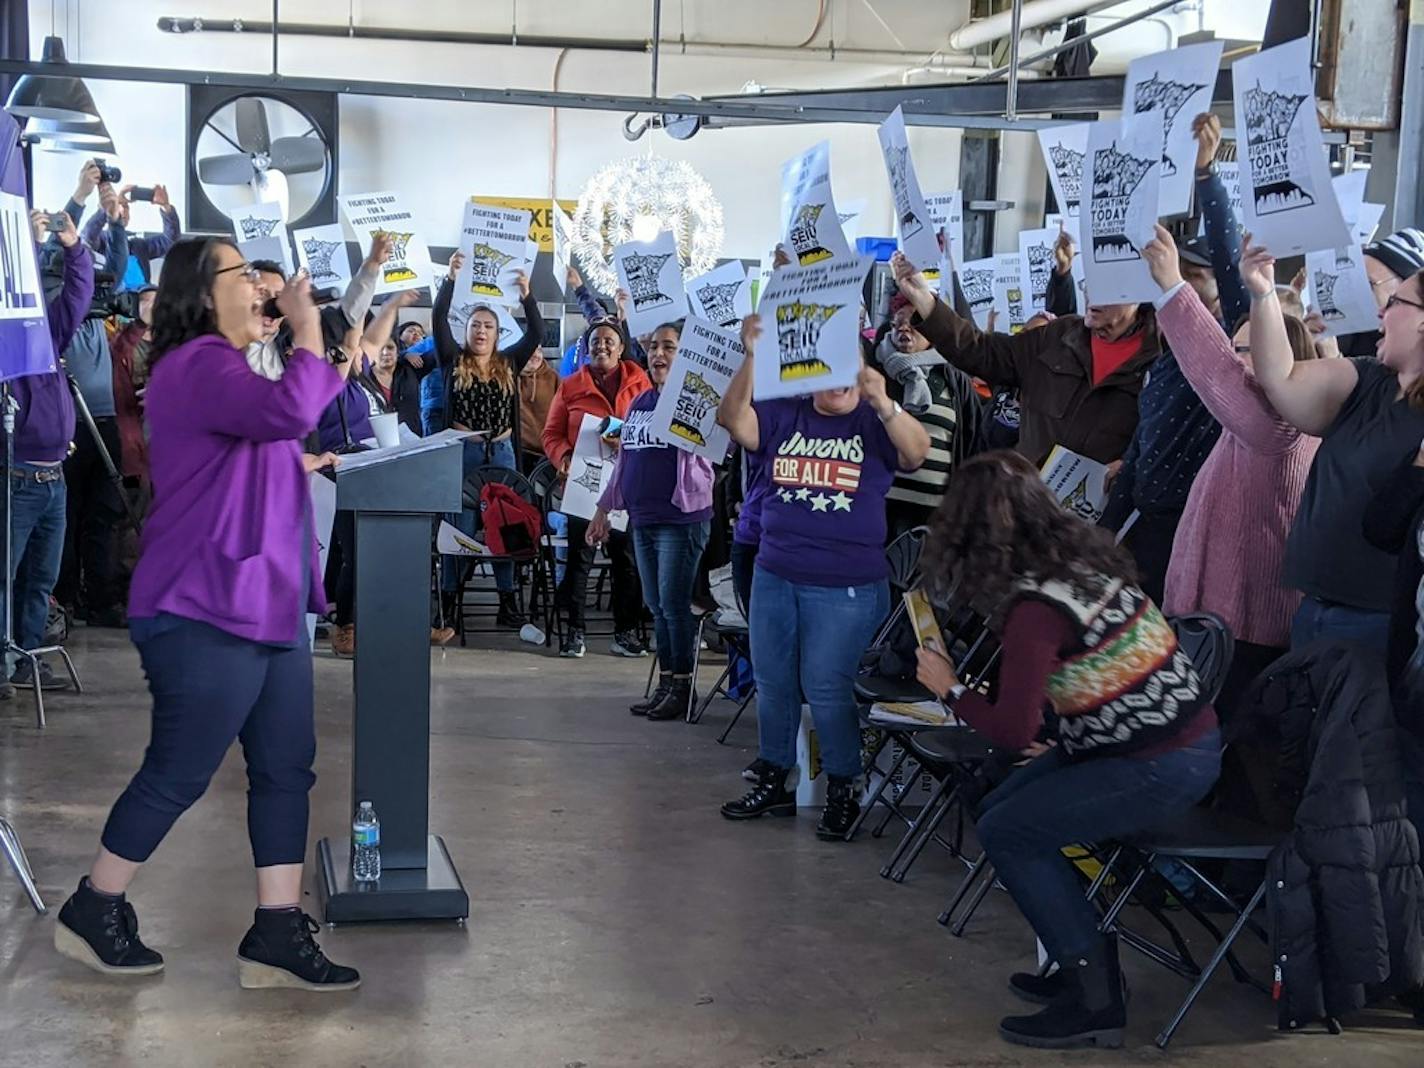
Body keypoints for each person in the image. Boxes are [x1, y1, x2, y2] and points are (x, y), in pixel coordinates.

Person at [54, 239, 360, 990]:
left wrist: (318, 333)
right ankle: (94, 907)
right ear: (202, 289)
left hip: (269, 599)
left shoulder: (238, 369)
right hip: (203, 601)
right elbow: (293, 404)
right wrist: (305, 323)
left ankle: (278, 929)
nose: (261, 284)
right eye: (244, 273)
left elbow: (287, 426)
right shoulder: (193, 367)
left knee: (286, 767)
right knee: (181, 771)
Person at [914, 451, 1220, 1050]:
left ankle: (1096, 997)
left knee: (1009, 832)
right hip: (1149, 740)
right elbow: (1090, 678)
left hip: (1155, 762)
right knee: (1001, 807)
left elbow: (1009, 731)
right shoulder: (1084, 560)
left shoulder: (1037, 608)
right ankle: (1082, 955)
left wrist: (947, 686)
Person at [717, 313, 930, 839]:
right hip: (775, 573)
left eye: (849, 367)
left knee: (827, 686)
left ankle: (842, 786)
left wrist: (884, 402)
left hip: (846, 585)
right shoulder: (785, 414)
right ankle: (773, 776)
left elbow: (918, 451)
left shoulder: (874, 423)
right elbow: (731, 418)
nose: (838, 380)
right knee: (772, 680)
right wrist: (751, 356)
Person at [1143, 224, 1322, 716]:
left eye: (1245, 352)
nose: (1238, 364)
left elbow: (1216, 371)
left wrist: (1173, 285)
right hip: (1220, 625)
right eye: (1237, 350)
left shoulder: (1280, 426)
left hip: (1245, 633)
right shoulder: (1258, 426)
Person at [1092, 115, 1251, 601]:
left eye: (1191, 276)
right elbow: (1142, 449)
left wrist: (1206, 176)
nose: (1177, 281)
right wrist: (1106, 529)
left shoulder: (1227, 349)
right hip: (1146, 525)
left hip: (1197, 528)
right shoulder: (1161, 364)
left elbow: (1230, 271)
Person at [1245, 238, 1424, 651]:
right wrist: (1263, 292)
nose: (1380, 311)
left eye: (1395, 302)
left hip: (1381, 624)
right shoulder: (1368, 380)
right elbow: (1280, 378)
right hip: (1315, 607)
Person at [892, 246, 1156, 468]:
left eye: (1107, 286)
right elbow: (980, 351)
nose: (1092, 295)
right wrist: (923, 299)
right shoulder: (1058, 337)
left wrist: (1130, 467)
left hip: (1093, 520)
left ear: (1137, 295)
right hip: (1026, 508)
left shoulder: (1160, 359)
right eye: (1090, 283)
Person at [588, 322, 714, 719]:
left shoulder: (697, 401)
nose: (659, 354)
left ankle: (683, 689)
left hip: (681, 518)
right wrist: (603, 509)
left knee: (675, 606)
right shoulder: (640, 402)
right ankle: (666, 685)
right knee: (656, 606)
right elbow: (625, 459)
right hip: (642, 518)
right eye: (655, 347)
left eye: (670, 348)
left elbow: (711, 453)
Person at [0, 210, 94, 701]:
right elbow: (15, 293)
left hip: (52, 478)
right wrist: (30, 248)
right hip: (14, 478)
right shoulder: (5, 341)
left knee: (40, 579)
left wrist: (74, 244)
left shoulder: (49, 334)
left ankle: (25, 659)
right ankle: (3, 660)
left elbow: (77, 298)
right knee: (4, 577)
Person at [432, 253, 545, 630]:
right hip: (464, 454)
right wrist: (450, 279)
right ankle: (449, 600)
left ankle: (507, 602)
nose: (481, 332)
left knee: (507, 526)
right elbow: (438, 321)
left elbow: (537, 334)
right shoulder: (452, 360)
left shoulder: (510, 363)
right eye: (476, 325)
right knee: (460, 527)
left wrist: (527, 296)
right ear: (467, 331)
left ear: (498, 335)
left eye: (489, 327)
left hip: (503, 452)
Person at [542, 319, 652, 658]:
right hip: (583, 486)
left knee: (627, 561)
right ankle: (574, 632)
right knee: (579, 560)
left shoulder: (642, 384)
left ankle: (625, 633)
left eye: (608, 341)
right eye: (595, 341)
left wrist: (629, 442)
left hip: (627, 486)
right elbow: (551, 434)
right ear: (585, 349)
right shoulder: (570, 385)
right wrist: (563, 458)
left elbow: (652, 428)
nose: (601, 346)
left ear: (621, 348)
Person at [56, 179, 131, 632]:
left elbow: (115, 270)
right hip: (69, 426)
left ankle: (99, 599)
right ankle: (62, 598)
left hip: (104, 424)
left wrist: (115, 221)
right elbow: (58, 253)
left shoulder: (102, 316)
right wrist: (81, 199)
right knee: (66, 516)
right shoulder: (59, 317)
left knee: (103, 515)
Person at [873, 292, 982, 536]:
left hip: (935, 518)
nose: (904, 328)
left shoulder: (955, 379)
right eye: (898, 322)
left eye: (913, 323)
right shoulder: (876, 373)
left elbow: (972, 446)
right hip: (877, 511)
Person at [1339, 228, 1424, 358]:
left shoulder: (1398, 356)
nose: (1357, 292)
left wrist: (1331, 354)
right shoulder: (1345, 329)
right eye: (1354, 282)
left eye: (1369, 284)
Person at [81, 181, 180, 289]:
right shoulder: (102, 240)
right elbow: (88, 237)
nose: (123, 211)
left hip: (142, 298)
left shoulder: (137, 245)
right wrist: (107, 208)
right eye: (118, 206)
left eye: (126, 207)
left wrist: (165, 206)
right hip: (112, 297)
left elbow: (170, 240)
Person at [110, 283, 157, 492]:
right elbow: (119, 351)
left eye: (157, 303)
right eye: (146, 302)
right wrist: (140, 324)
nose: (151, 308)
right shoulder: (124, 337)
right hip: (132, 422)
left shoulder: (174, 340)